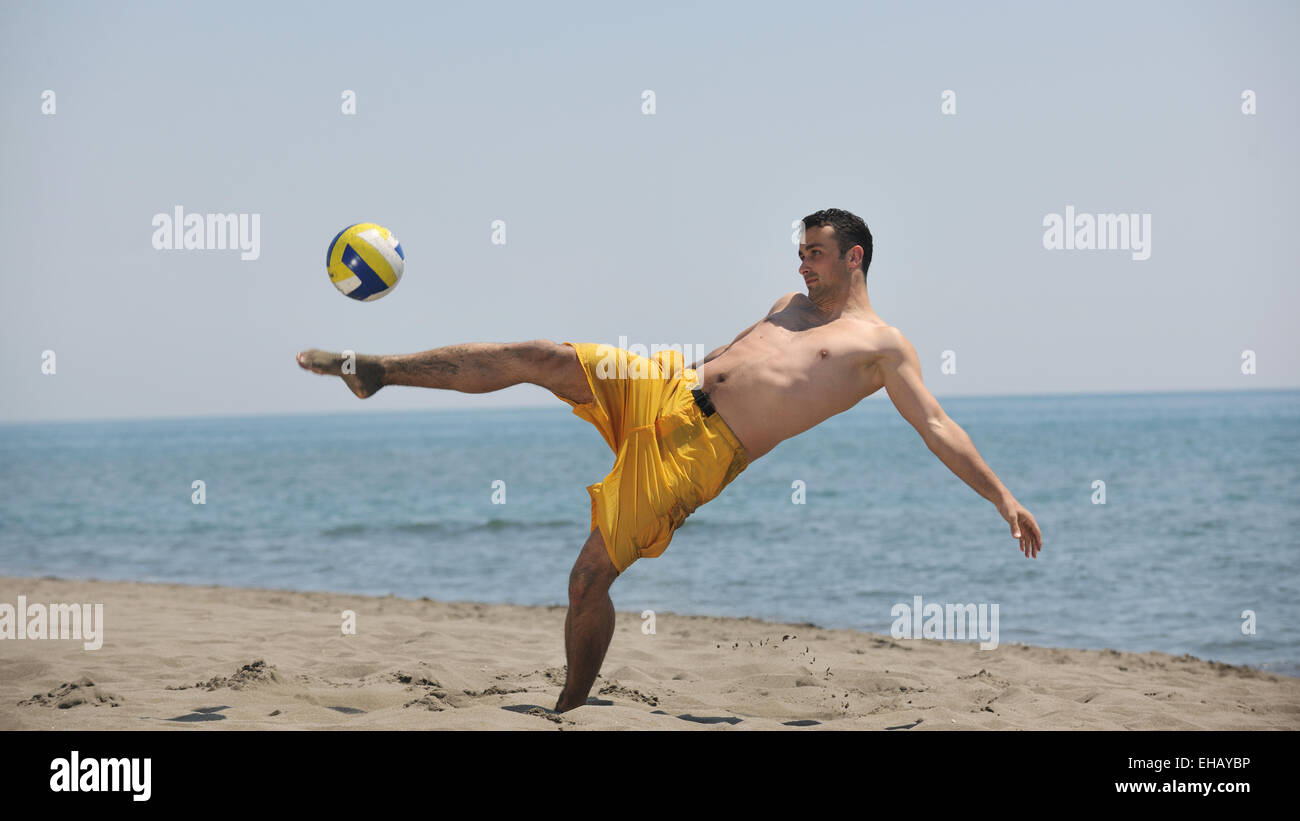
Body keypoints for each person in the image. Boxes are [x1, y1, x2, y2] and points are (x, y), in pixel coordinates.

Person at [296, 207, 1043, 713]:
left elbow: (937, 424)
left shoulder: (880, 347)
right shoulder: (791, 300)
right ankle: (378, 368)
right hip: (666, 379)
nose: (803, 264)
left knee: (589, 576)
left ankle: (571, 707)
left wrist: (1003, 498)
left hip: (700, 451)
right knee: (540, 355)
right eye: (800, 253)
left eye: (816, 253)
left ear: (854, 257)